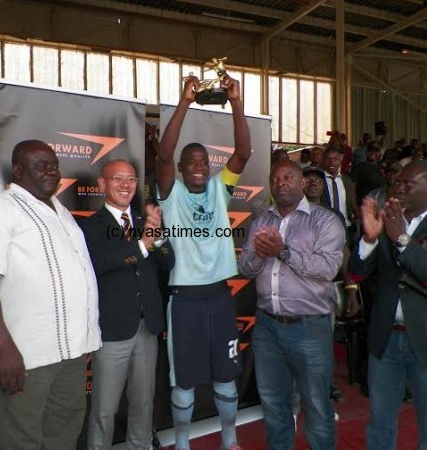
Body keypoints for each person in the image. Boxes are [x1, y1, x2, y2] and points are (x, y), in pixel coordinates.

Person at [0, 140, 101, 450]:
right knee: (22, 440)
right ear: (17, 170)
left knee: (65, 433)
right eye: (41, 165)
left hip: (71, 353)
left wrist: (84, 335)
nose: (51, 171)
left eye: (54, 165)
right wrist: (3, 349)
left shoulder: (61, 211)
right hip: (24, 357)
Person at [156, 74, 251, 450]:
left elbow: (243, 153)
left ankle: (229, 439)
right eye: (190, 161)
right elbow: (163, 154)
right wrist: (185, 103)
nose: (198, 165)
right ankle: (182, 443)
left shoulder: (219, 189)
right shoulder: (170, 193)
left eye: (203, 161)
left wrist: (236, 102)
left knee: (225, 375)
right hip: (184, 299)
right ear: (180, 168)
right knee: (184, 379)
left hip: (220, 296)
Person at [348, 160, 427, 450]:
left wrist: (401, 239)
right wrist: (369, 238)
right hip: (386, 337)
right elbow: (355, 273)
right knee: (380, 421)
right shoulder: (387, 219)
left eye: (408, 184)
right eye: (396, 182)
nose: (398, 188)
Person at [238, 160, 345, 449]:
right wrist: (260, 255)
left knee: (316, 404)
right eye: (275, 179)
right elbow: (246, 269)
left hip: (309, 328)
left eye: (288, 177)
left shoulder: (324, 220)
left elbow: (328, 268)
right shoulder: (262, 220)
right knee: (274, 404)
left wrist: (283, 252)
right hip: (267, 327)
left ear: (301, 183)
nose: (280, 183)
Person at [80, 159, 174, 450]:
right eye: (117, 179)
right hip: (112, 330)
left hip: (148, 328)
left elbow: (169, 261)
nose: (125, 185)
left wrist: (156, 240)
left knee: (143, 403)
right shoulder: (89, 226)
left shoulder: (146, 222)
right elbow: (99, 263)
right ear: (101, 184)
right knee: (104, 410)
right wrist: (141, 245)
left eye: (131, 179)